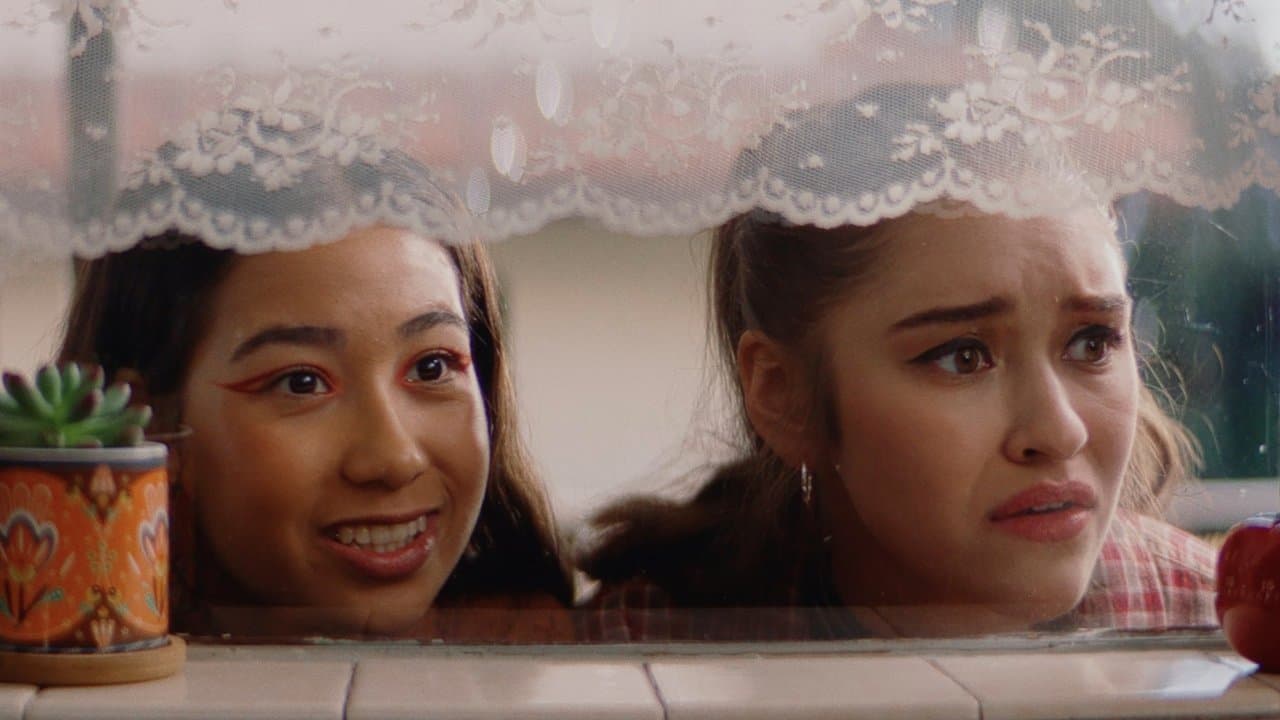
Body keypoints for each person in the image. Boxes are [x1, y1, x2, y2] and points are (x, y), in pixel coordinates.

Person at [578, 86, 1218, 641]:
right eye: (963, 357)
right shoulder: (642, 653)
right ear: (785, 397)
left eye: (1092, 343)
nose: (1060, 431)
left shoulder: (1212, 630)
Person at [59, 138, 573, 641]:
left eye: (432, 367)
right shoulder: (72, 662)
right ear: (148, 421)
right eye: (301, 383)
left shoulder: (539, 650)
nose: (394, 459)